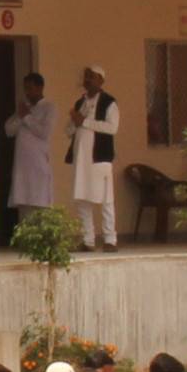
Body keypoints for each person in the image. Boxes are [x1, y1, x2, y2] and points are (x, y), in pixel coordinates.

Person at [66, 65, 123, 249]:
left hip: (100, 159)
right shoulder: (79, 103)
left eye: (91, 77)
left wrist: (85, 122)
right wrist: (76, 122)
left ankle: (110, 240)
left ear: (101, 80)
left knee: (106, 200)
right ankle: (87, 240)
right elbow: (68, 130)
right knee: (82, 199)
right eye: (86, 77)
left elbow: (112, 128)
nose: (87, 80)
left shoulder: (109, 102)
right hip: (81, 160)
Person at [4, 70, 58, 243]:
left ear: (40, 87)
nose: (27, 92)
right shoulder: (23, 108)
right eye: (25, 89)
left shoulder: (49, 107)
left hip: (39, 163)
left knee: (40, 202)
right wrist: (21, 116)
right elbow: (8, 130)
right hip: (22, 165)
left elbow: (44, 132)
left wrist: (27, 116)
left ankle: (43, 241)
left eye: (30, 88)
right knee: (24, 201)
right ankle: (27, 241)